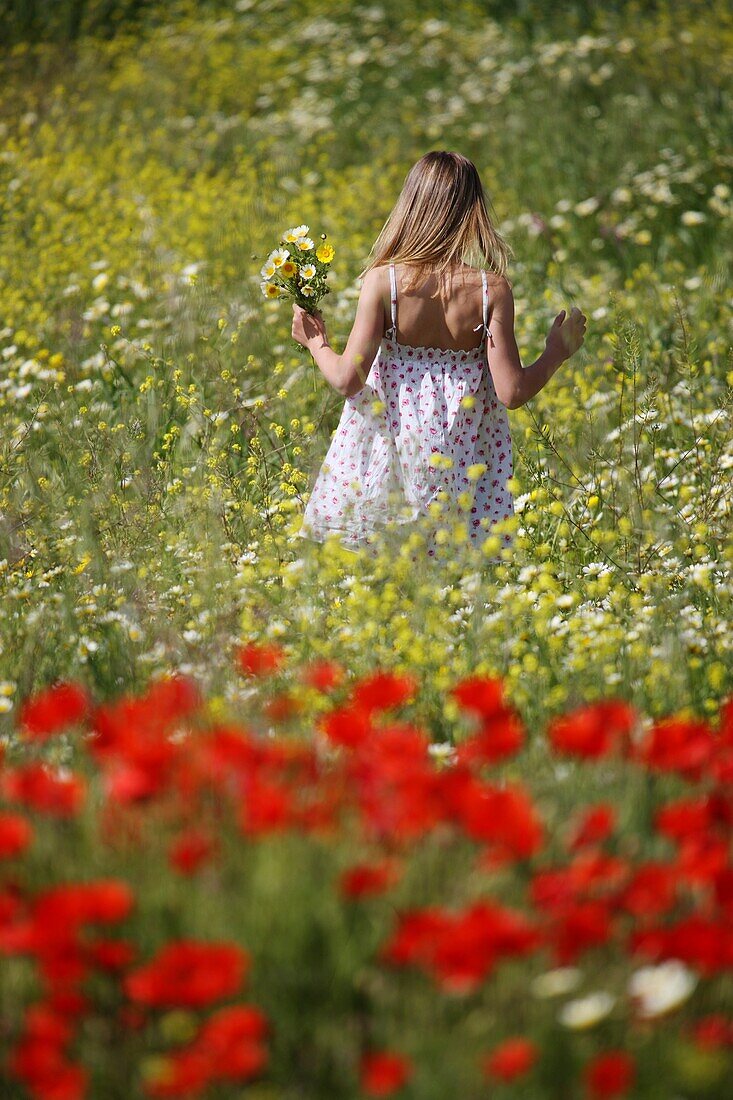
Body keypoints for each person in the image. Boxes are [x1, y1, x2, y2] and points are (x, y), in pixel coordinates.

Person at [291, 150, 586, 562]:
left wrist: (316, 343)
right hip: (460, 459)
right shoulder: (490, 291)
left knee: (381, 574)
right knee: (450, 577)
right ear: (472, 211)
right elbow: (512, 392)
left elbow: (346, 379)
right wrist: (555, 353)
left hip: (388, 451)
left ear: (410, 206)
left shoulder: (385, 283)